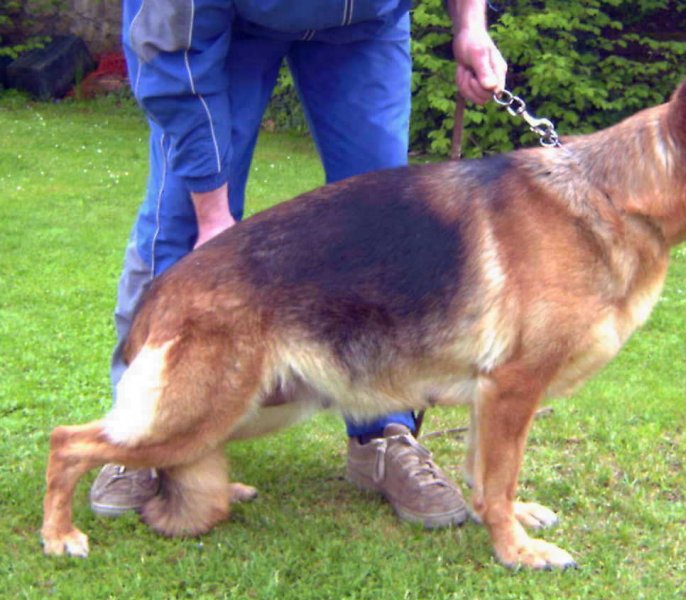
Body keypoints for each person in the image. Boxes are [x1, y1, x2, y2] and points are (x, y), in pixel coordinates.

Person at [89, 0, 507, 529]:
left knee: (385, 228)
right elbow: (174, 55)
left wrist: (469, 27)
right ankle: (142, 434)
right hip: (221, 28)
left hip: (364, 28)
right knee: (179, 223)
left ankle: (382, 433)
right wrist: (214, 219)